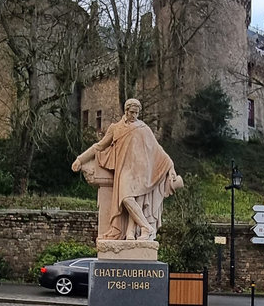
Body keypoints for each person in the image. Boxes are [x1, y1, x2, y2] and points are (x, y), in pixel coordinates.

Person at [72, 99, 182, 240]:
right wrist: (80, 159)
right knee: (126, 199)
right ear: (126, 111)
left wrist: (171, 166)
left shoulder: (143, 128)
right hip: (124, 170)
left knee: (134, 200)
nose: (134, 115)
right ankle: (145, 227)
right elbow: (99, 146)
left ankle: (135, 231)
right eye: (132, 112)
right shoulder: (116, 128)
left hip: (141, 171)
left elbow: (157, 150)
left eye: (137, 113)